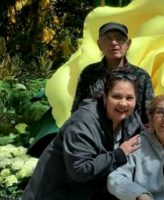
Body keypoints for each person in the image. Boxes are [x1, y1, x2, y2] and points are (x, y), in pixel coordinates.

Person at [22, 70, 144, 200]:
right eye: (116, 97)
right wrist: (118, 154)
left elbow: (148, 139)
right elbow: (80, 170)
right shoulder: (82, 123)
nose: (123, 103)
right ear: (104, 97)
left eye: (129, 98)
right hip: (56, 194)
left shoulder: (131, 118)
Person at [72, 21, 154, 124]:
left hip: (131, 136)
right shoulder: (89, 74)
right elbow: (77, 111)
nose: (114, 43)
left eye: (120, 38)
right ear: (99, 44)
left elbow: (149, 116)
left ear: (128, 44)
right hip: (93, 135)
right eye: (108, 39)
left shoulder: (141, 76)